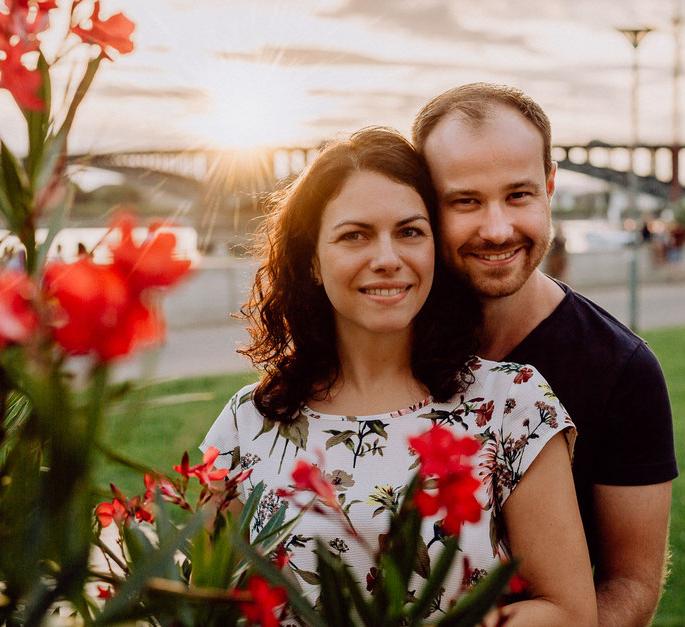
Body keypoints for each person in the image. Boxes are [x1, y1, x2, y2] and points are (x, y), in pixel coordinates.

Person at [200, 128, 596, 625]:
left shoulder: (511, 404)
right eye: (354, 235)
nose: (387, 259)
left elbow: (569, 611)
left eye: (410, 232)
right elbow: (209, 608)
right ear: (313, 262)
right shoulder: (246, 423)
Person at [413, 83, 678, 626]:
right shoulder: (387, 340)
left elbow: (631, 582)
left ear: (550, 186)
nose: (496, 229)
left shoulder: (623, 370)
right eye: (465, 201)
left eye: (519, 195)